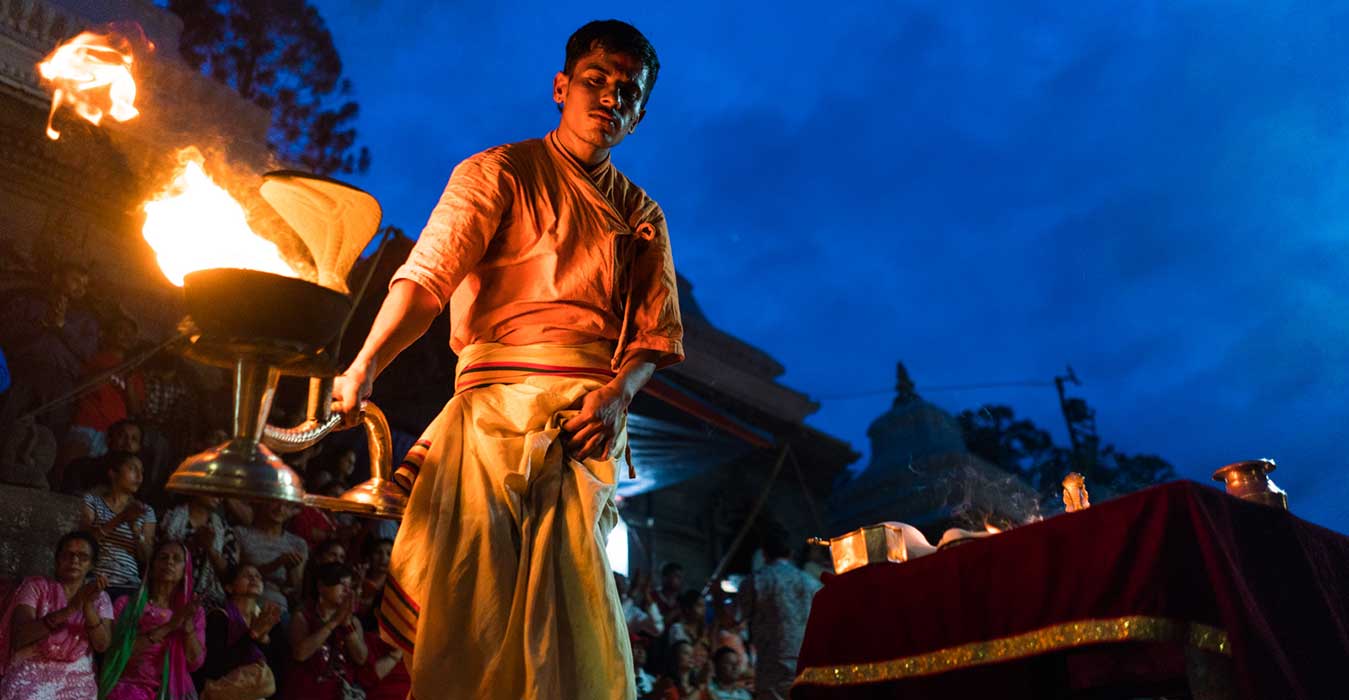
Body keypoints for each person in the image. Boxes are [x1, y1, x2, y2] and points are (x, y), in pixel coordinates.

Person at [331, 19, 683, 700]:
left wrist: (615, 399)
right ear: (561, 87)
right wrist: (365, 364)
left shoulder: (642, 214)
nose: (609, 98)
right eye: (595, 81)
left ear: (639, 116)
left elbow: (652, 340)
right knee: (473, 609)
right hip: (488, 417)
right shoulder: (496, 171)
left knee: (570, 611)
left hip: (584, 424)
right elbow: (427, 280)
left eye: (627, 92)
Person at [0, 531, 113, 699]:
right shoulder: (36, 587)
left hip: (76, 675)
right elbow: (20, 637)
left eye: (82, 556)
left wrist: (88, 606)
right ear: (57, 559)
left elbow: (102, 645)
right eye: (68, 554)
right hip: (31, 669)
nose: (74, 560)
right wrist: (70, 609)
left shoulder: (100, 598)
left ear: (91, 565)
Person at [99, 540, 206, 700]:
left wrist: (188, 626)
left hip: (172, 689)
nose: (169, 562)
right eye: (163, 557)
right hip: (128, 686)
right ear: (152, 566)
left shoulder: (193, 611)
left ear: (185, 569)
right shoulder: (128, 605)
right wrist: (169, 627)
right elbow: (117, 653)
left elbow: (194, 662)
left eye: (176, 559)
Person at [737, 525, 821, 700]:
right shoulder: (810, 583)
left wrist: (716, 596)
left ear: (764, 553)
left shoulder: (756, 581)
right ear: (790, 553)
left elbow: (734, 619)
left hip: (772, 667)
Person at [281, 563, 368, 700]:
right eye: (341, 584)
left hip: (342, 692)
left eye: (349, 586)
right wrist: (333, 622)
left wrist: (346, 624)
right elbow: (300, 654)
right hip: (308, 690)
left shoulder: (353, 622)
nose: (346, 590)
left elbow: (361, 658)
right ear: (321, 586)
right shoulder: (303, 616)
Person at [79, 451, 156, 600]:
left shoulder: (145, 511)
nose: (139, 477)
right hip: (95, 579)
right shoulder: (92, 501)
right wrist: (121, 518)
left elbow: (147, 557)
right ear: (113, 473)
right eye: (133, 469)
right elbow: (84, 542)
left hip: (129, 585)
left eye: (142, 472)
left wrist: (136, 531)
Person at [196, 564, 281, 700]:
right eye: (247, 575)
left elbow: (274, 674)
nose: (254, 578)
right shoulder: (219, 617)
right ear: (229, 587)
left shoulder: (266, 619)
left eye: (258, 576)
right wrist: (252, 635)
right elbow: (214, 669)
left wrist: (263, 638)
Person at [160, 494, 238, 607]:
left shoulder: (224, 529)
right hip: (168, 594)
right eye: (214, 488)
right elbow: (156, 556)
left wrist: (210, 548)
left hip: (208, 601)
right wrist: (193, 543)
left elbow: (230, 574)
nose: (219, 495)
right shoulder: (168, 519)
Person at [234, 501, 308, 615]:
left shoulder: (298, 544)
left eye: (287, 506)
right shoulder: (241, 533)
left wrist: (290, 570)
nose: (280, 508)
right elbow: (233, 574)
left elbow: (296, 591)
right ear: (263, 501)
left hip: (278, 608)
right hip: (245, 605)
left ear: (293, 511)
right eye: (275, 502)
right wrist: (277, 563)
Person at [59, 418, 141, 495]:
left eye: (134, 439)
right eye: (122, 435)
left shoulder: (138, 481)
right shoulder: (80, 467)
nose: (128, 443)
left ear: (139, 447)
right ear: (109, 439)